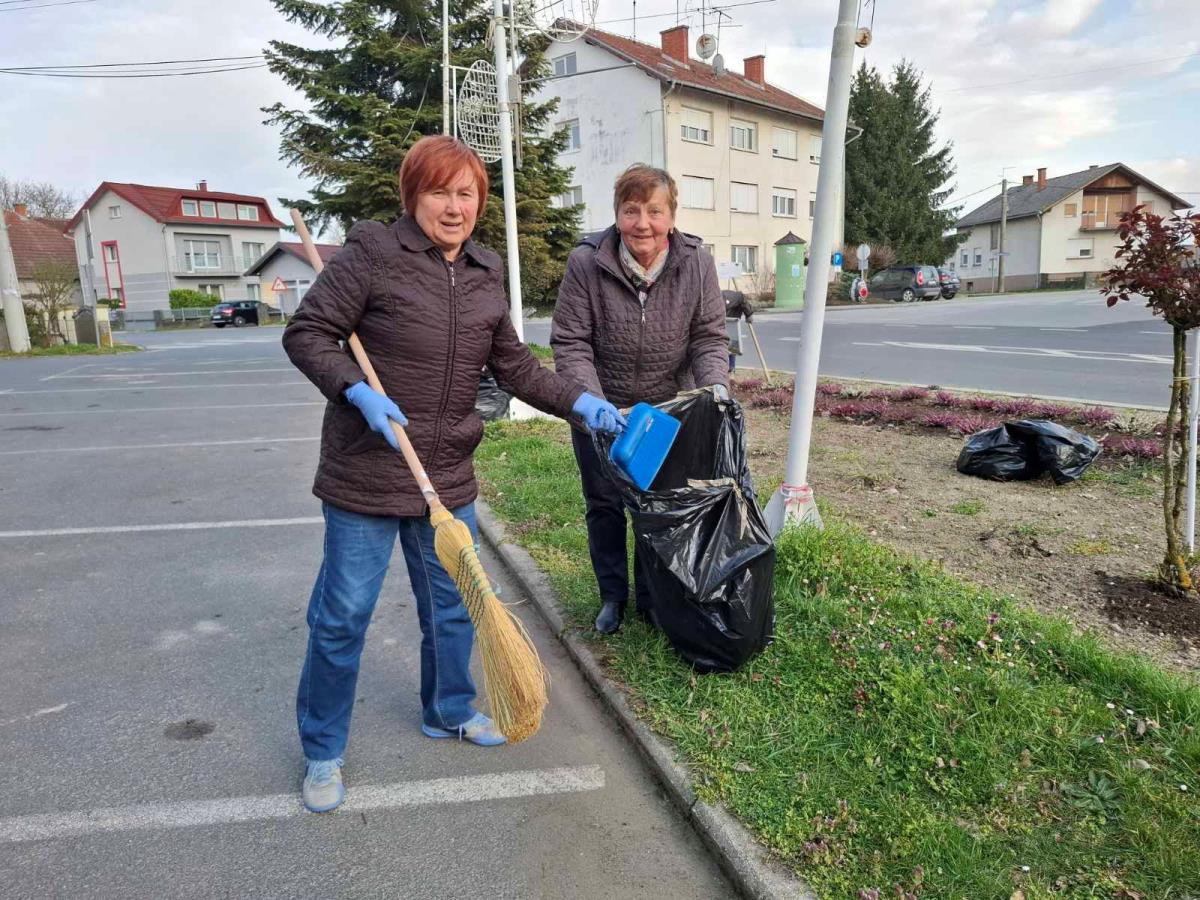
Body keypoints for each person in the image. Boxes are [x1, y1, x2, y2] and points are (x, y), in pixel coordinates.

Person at [282, 135, 624, 813]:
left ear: (480, 203)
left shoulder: (483, 273)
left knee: (454, 606)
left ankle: (449, 710)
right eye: (440, 190)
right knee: (343, 616)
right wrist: (355, 391)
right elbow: (309, 333)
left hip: (447, 474)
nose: (454, 205)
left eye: (466, 193)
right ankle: (322, 749)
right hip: (365, 476)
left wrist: (580, 404)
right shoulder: (375, 254)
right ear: (414, 196)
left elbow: (514, 367)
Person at [550, 164, 729, 635]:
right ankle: (613, 596)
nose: (642, 223)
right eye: (631, 211)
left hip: (665, 415)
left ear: (671, 215)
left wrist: (714, 390)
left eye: (654, 211)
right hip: (602, 411)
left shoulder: (695, 261)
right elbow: (571, 342)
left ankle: (653, 598)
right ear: (617, 215)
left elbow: (709, 338)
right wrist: (593, 405)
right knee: (605, 505)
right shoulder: (587, 262)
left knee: (658, 506)